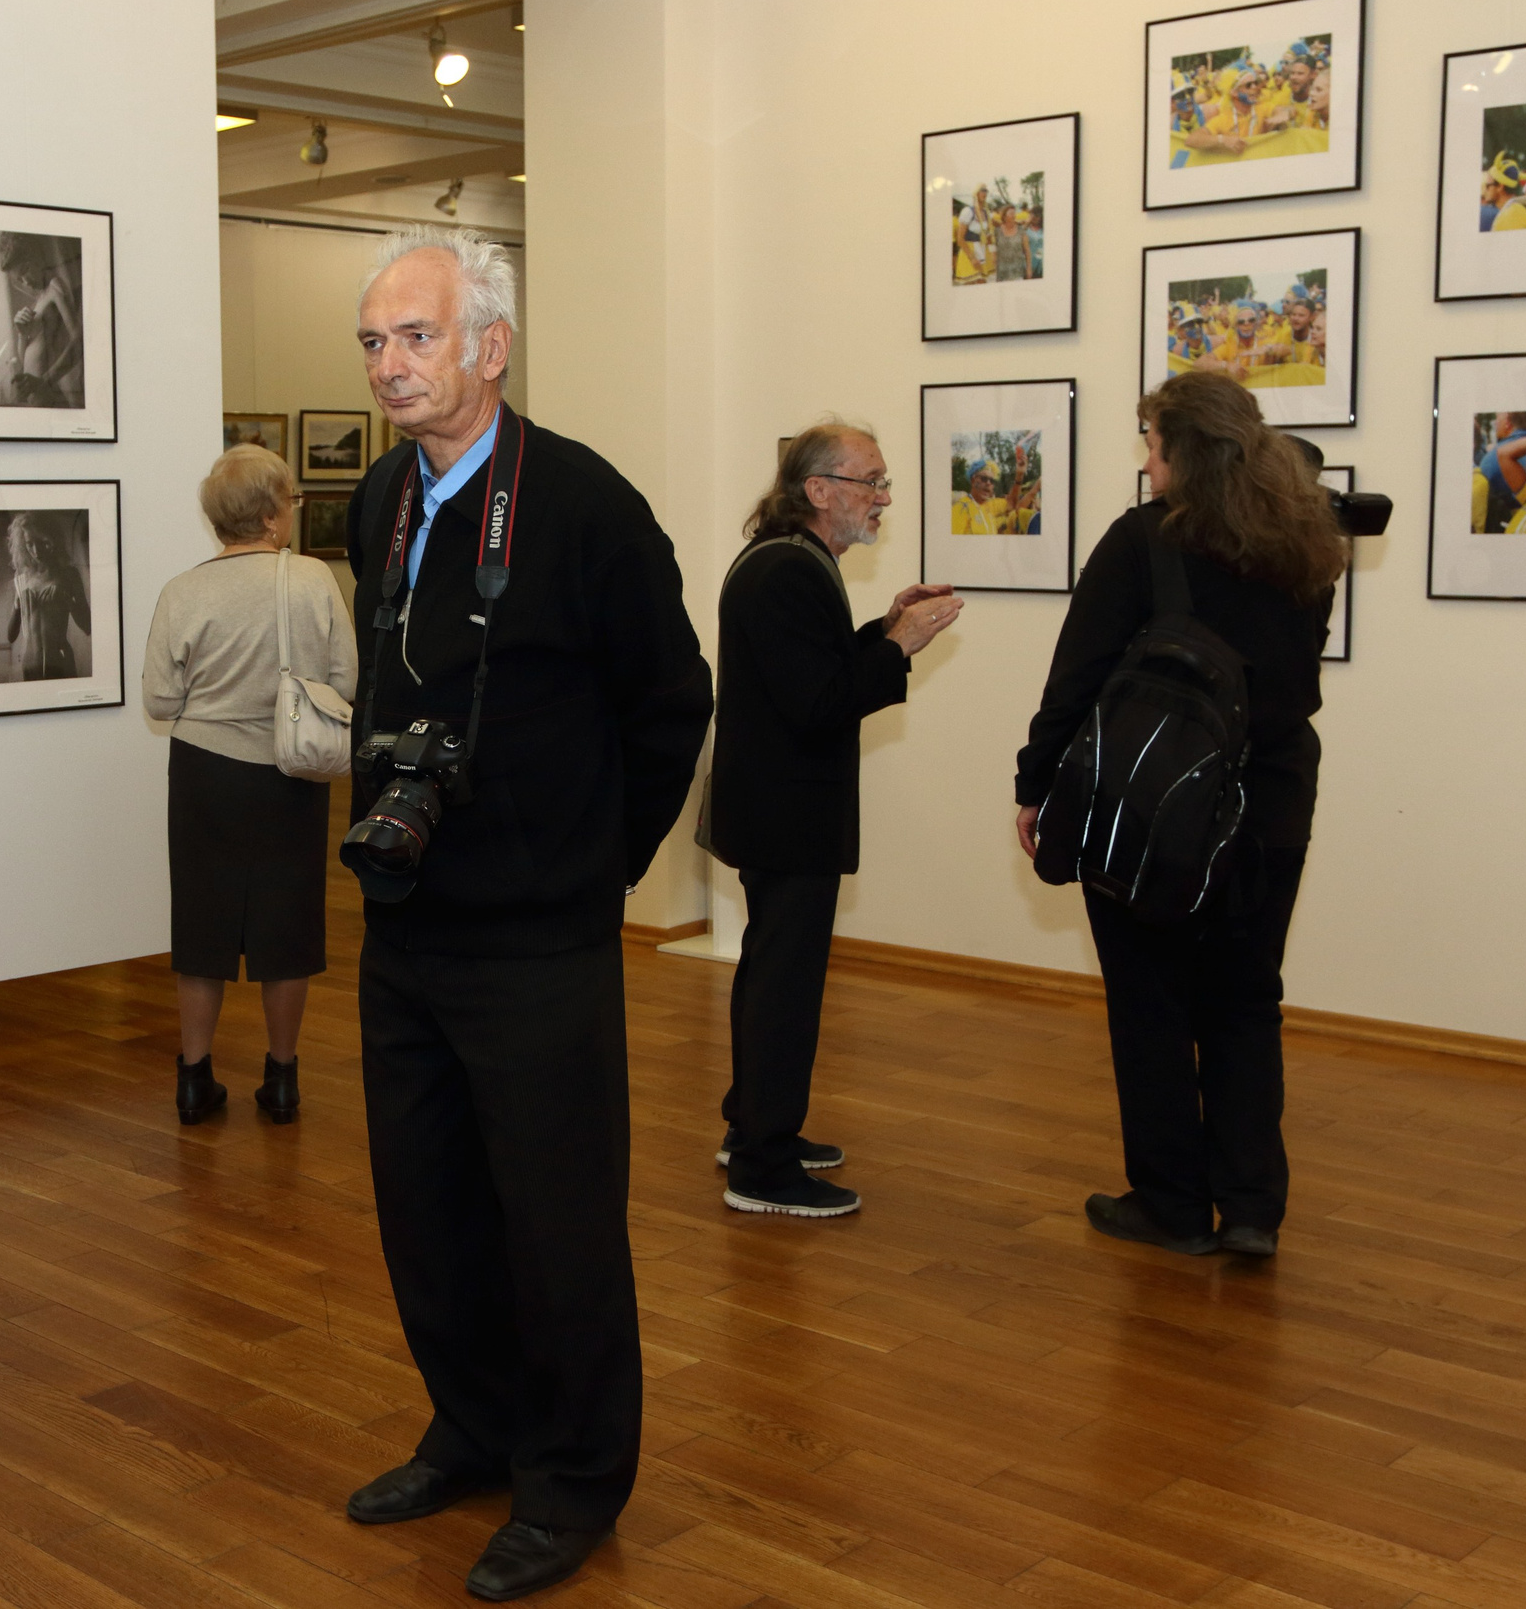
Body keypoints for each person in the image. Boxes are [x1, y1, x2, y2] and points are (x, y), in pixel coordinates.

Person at [336, 226, 710, 1602]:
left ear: (491, 346)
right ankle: (471, 1425)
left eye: (417, 335)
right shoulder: (379, 498)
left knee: (555, 1221)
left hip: (540, 935)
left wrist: (591, 861)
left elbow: (672, 702)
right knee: (424, 1205)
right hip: (408, 921)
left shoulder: (584, 504)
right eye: (374, 340)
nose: (390, 362)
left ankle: (572, 1478)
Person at [1013, 370, 1344, 1261]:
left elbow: (1076, 677)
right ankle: (1250, 1210)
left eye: (1153, 445)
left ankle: (1170, 1203)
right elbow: (1294, 680)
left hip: (1152, 809)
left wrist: (1034, 783)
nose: (1148, 464)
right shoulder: (1309, 542)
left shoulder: (1141, 542)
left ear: (1183, 450)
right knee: (1245, 1001)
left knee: (1151, 1001)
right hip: (1271, 804)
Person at [707, 423, 961, 1220]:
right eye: (871, 482)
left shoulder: (792, 560)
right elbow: (818, 703)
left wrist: (885, 629)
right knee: (784, 985)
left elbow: (810, 669)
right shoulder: (789, 571)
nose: (883, 498)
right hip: (787, 815)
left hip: (778, 809)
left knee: (771, 971)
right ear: (819, 490)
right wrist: (901, 647)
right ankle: (763, 1163)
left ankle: (757, 1123)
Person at [143, 445, 359, 1126]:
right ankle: (283, 1076)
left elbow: (158, 700)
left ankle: (194, 1077)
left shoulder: (183, 590)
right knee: (285, 929)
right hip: (288, 771)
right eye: (291, 502)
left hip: (204, 772)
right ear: (270, 515)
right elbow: (347, 680)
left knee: (202, 929)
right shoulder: (312, 580)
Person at [0, 231, 84, 408]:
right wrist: (22, 334)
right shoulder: (39, 300)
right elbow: (23, 359)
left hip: (48, 391)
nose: (26, 282)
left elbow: (80, 342)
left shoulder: (55, 287)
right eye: (19, 279)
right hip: (36, 396)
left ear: (36, 256)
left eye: (25, 270)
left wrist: (44, 382)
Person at [1, 512, 91, 681]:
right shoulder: (22, 578)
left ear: (51, 539)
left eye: (41, 542)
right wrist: (17, 605)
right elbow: (10, 637)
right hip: (29, 664)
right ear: (22, 544)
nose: (36, 551)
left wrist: (68, 602)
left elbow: (88, 626)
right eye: (29, 544)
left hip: (61, 661)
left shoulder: (69, 574)